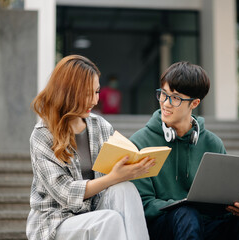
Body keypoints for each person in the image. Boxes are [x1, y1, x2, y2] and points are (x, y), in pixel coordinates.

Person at [130, 61, 239, 240]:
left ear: (194, 103)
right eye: (163, 94)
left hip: (203, 224)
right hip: (161, 227)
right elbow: (144, 204)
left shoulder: (212, 143)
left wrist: (236, 209)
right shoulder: (140, 142)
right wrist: (182, 206)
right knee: (187, 214)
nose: (166, 103)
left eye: (176, 98)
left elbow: (220, 201)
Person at [26, 55, 155, 240]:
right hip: (55, 222)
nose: (94, 101)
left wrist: (130, 168)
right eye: (87, 93)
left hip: (94, 211)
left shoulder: (101, 126)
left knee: (125, 188)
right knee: (108, 220)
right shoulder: (42, 135)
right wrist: (113, 177)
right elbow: (66, 193)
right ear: (66, 92)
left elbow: (114, 176)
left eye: (96, 92)